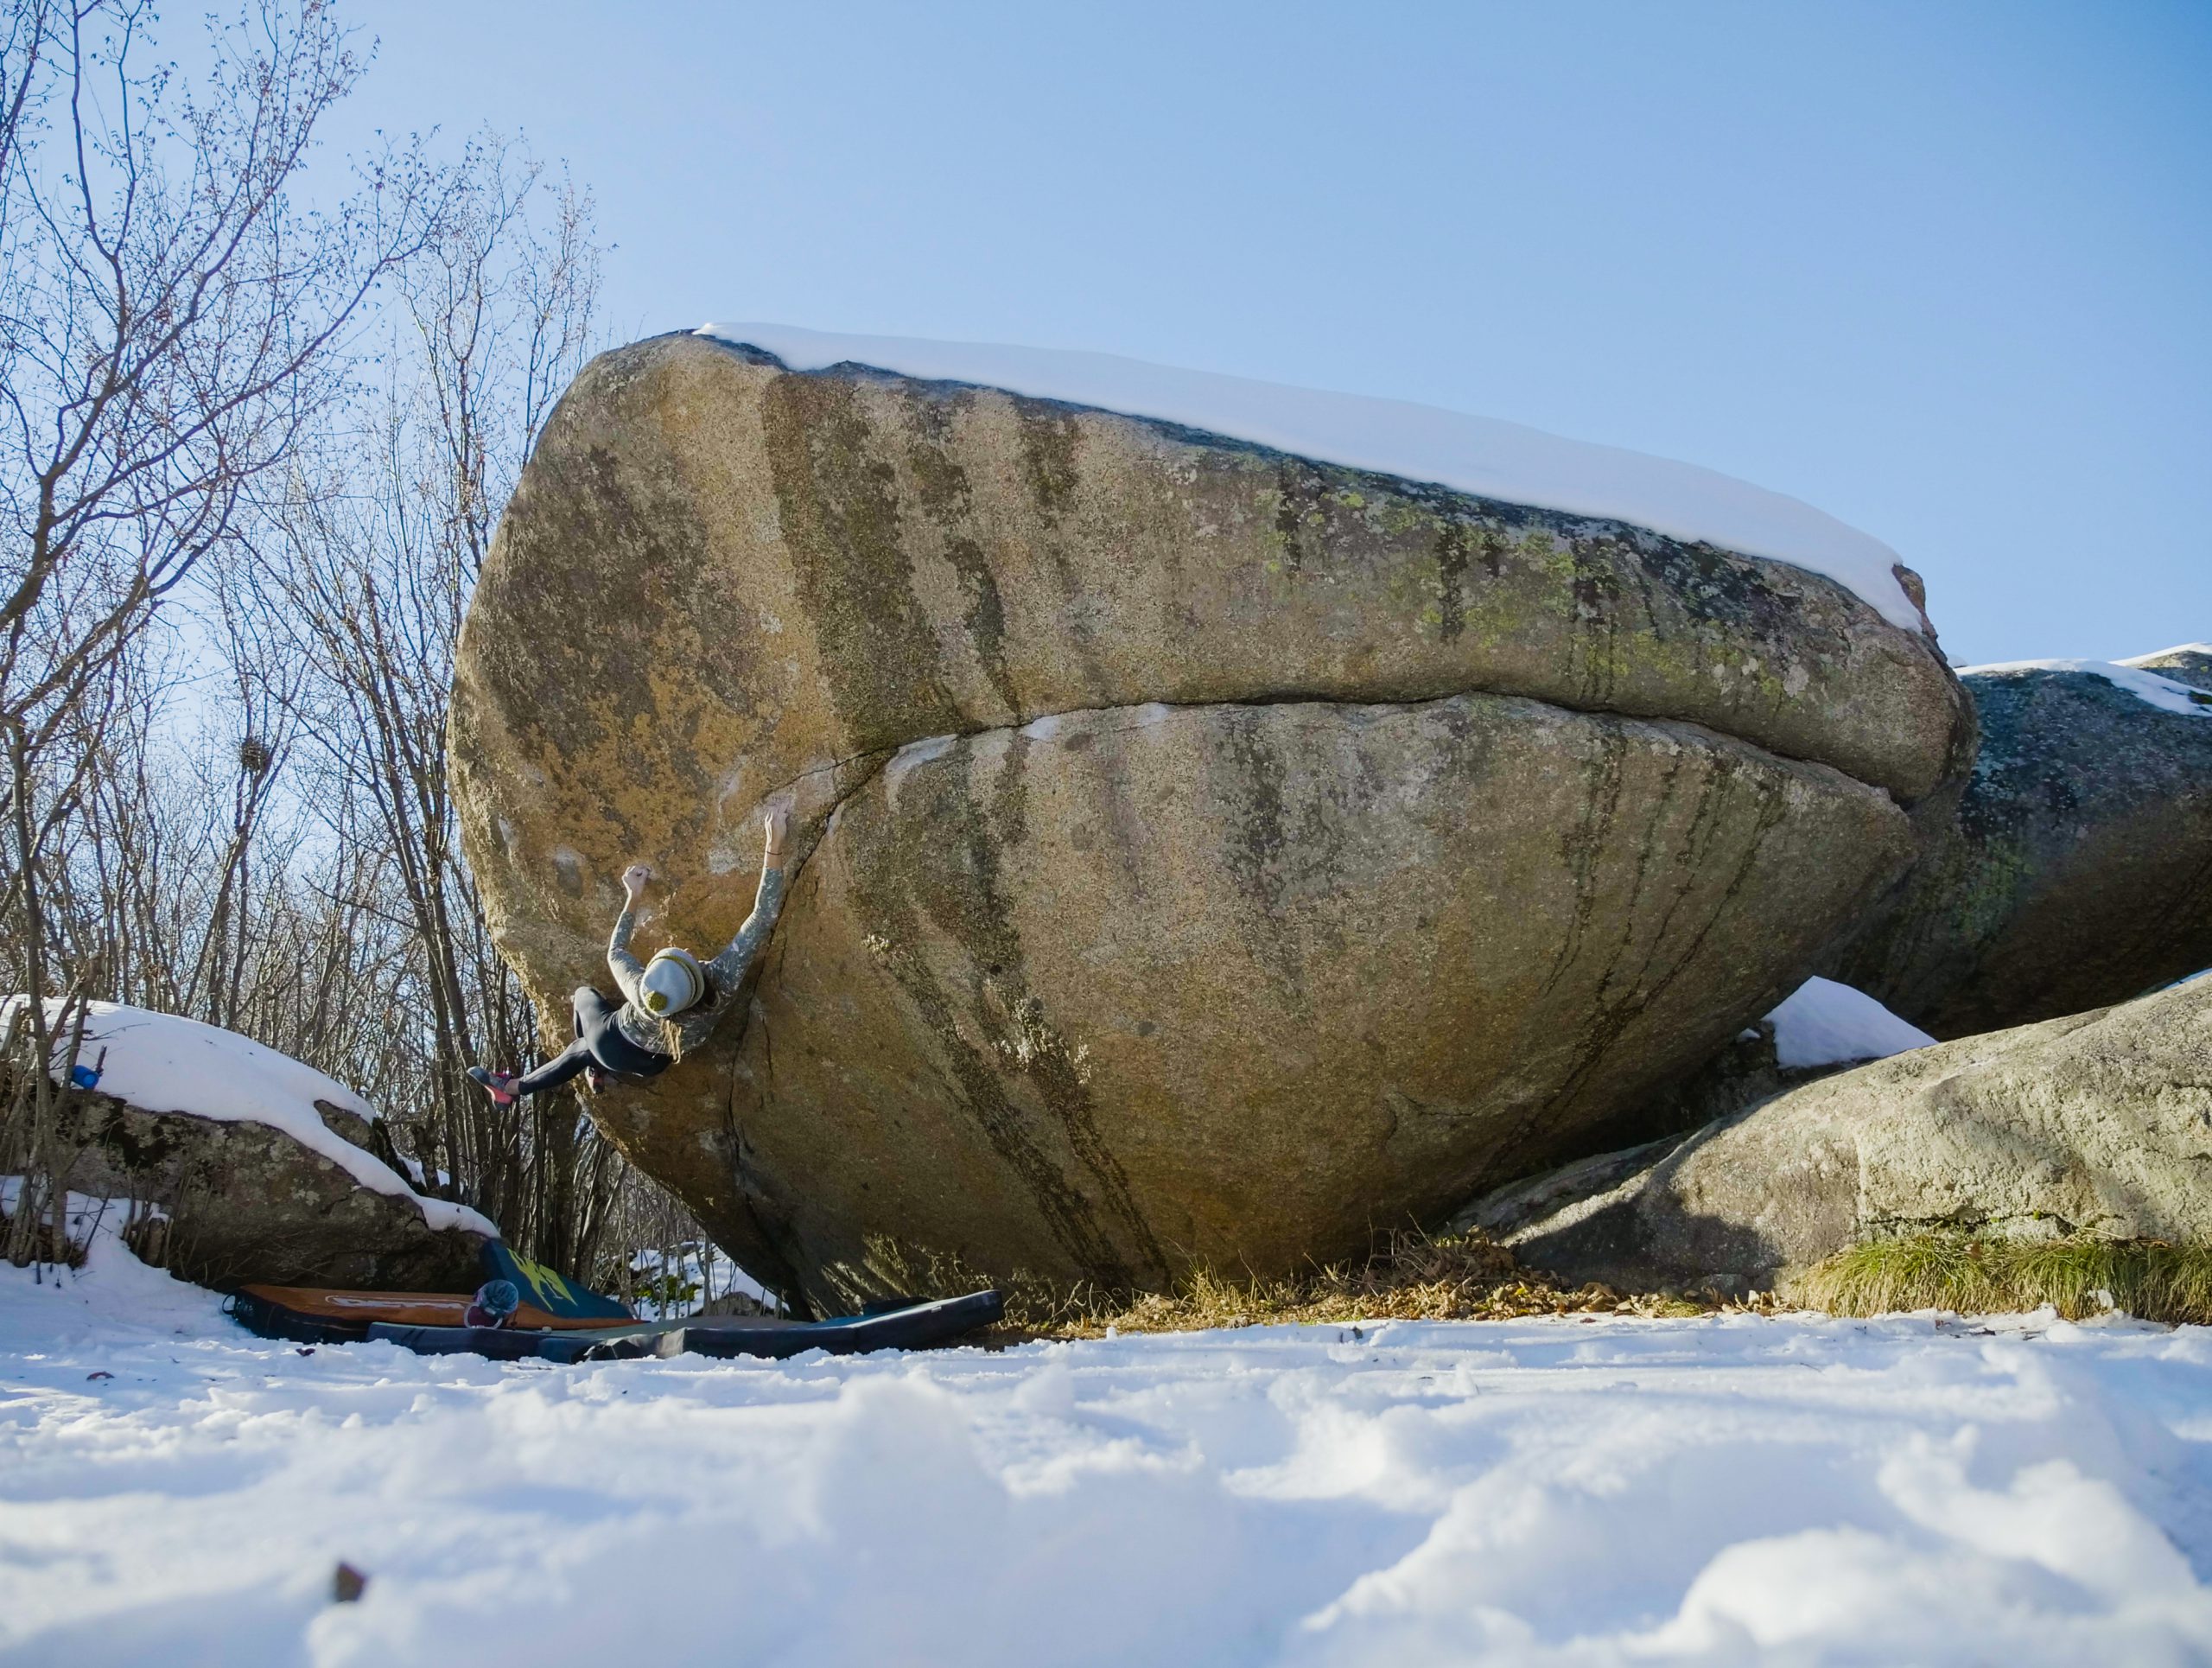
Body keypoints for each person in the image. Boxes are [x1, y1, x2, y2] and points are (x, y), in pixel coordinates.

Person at [469, 811, 789, 1104]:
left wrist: (633, 896)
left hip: (613, 1045)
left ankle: (513, 1088)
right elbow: (762, 917)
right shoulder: (722, 982)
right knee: (584, 1048)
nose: (688, 950)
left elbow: (617, 952)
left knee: (584, 1002)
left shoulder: (641, 993)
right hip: (654, 1063)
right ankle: (575, 1070)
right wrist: (773, 844)